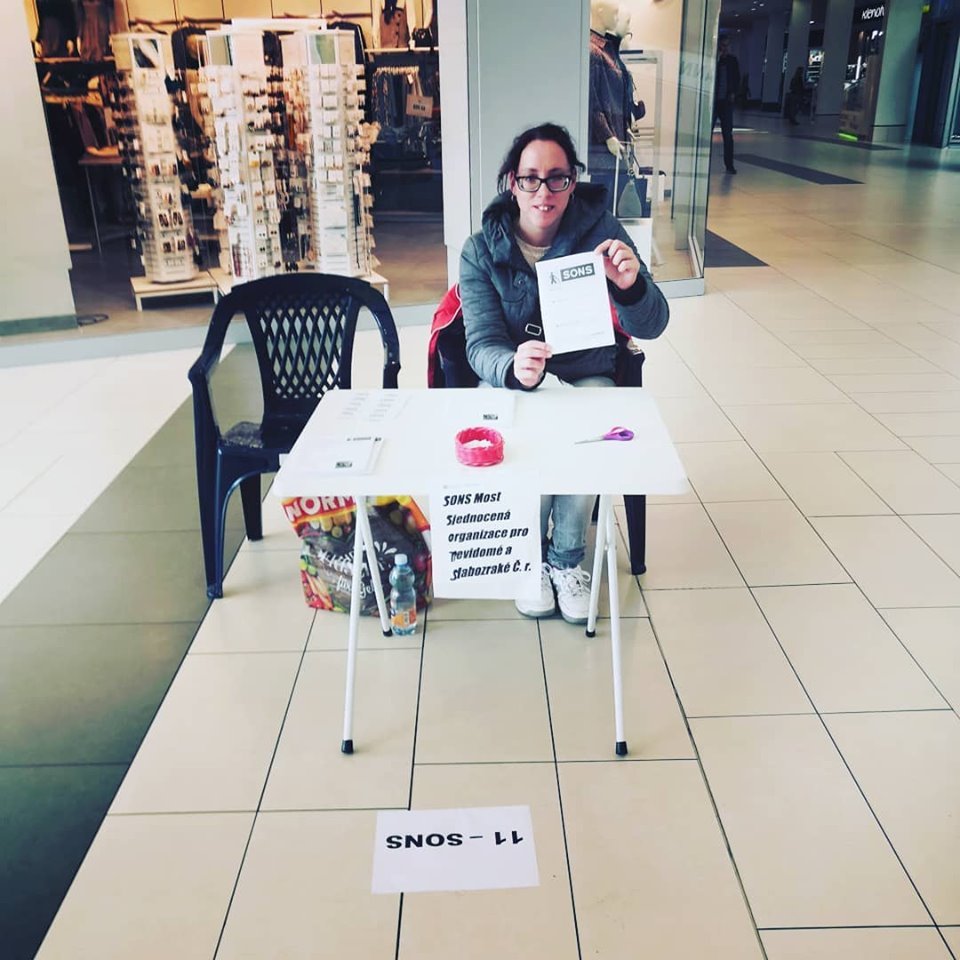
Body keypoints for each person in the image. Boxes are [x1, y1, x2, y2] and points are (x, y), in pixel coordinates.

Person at [458, 122, 669, 624]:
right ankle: (526, 555)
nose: (544, 191)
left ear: (572, 182)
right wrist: (512, 367)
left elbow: (654, 324)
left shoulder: (603, 232)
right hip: (516, 374)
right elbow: (480, 344)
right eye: (530, 178)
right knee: (518, 422)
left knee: (592, 417)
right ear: (512, 183)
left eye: (557, 178)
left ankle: (567, 558)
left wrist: (631, 286)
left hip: (584, 371)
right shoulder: (481, 249)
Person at [589, 0, 645, 203]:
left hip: (615, 139)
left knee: (613, 195)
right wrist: (607, 135)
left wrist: (624, 128)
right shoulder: (593, 51)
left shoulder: (606, 50)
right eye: (615, 14)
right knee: (603, 197)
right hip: (603, 146)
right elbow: (592, 100)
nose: (616, 18)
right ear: (600, 11)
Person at [713, 36, 740, 174]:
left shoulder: (732, 61)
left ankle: (729, 164)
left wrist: (733, 93)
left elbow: (736, 79)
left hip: (726, 102)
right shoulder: (714, 60)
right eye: (723, 45)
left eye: (727, 45)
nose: (725, 48)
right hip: (713, 103)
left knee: (728, 135)